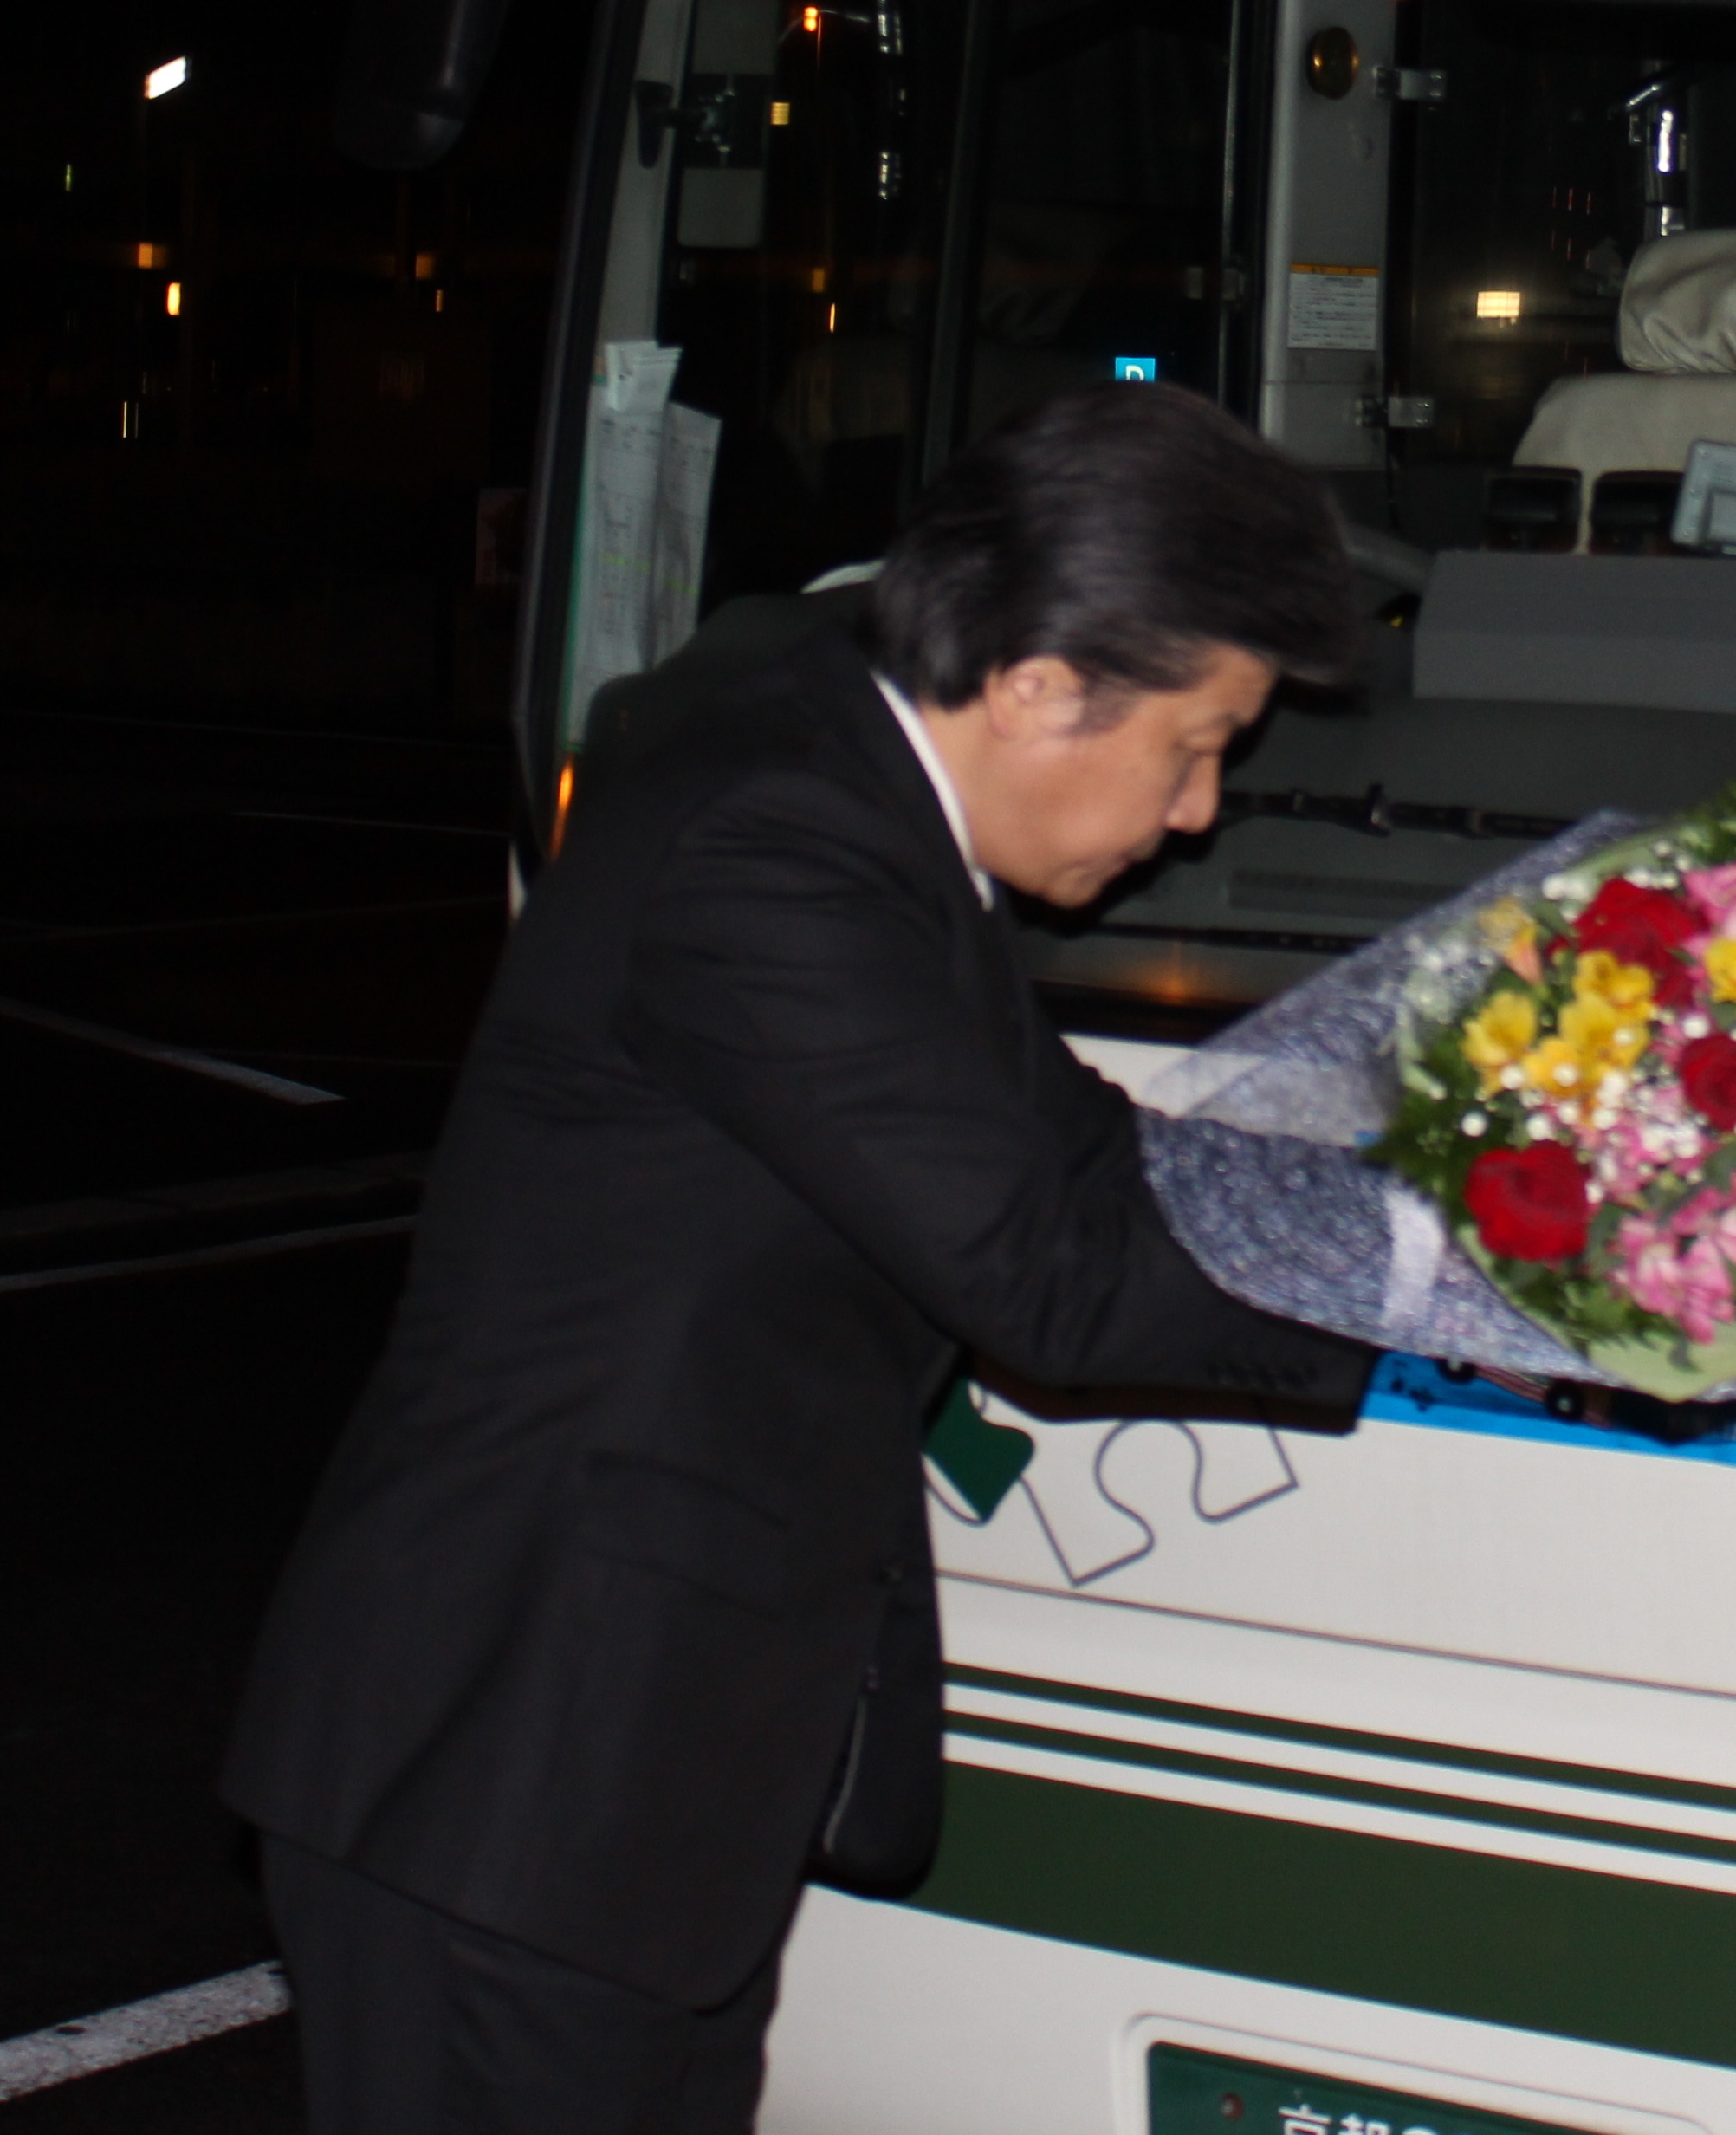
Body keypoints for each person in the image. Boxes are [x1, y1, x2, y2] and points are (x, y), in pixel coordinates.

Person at [224, 384, 1380, 2135]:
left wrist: (1431, 1187)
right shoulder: (779, 846)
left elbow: (1070, 1145)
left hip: (622, 1789)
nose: (1206, 809)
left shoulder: (845, 767)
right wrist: (1466, 1262)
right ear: (1041, 681)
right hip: (511, 1780)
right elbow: (1046, 1266)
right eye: (1197, 743)